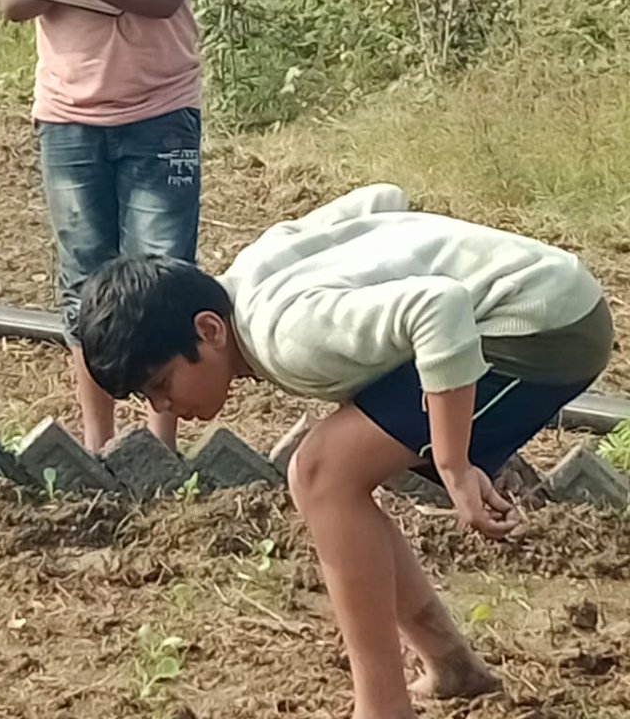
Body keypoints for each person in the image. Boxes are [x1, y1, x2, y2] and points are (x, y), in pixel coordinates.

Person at [78, 183, 613, 719]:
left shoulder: (289, 336)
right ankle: (451, 667)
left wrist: (453, 463)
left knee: (321, 474)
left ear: (208, 330)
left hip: (542, 328)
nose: (163, 404)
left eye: (161, 382)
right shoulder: (252, 272)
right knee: (328, 475)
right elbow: (383, 198)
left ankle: (382, 708)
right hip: (545, 301)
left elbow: (439, 304)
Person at [0, 0, 202, 454]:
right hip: (70, 116)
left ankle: (161, 444)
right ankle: (95, 444)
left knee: (164, 276)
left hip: (161, 109)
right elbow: (9, 3)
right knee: (88, 283)